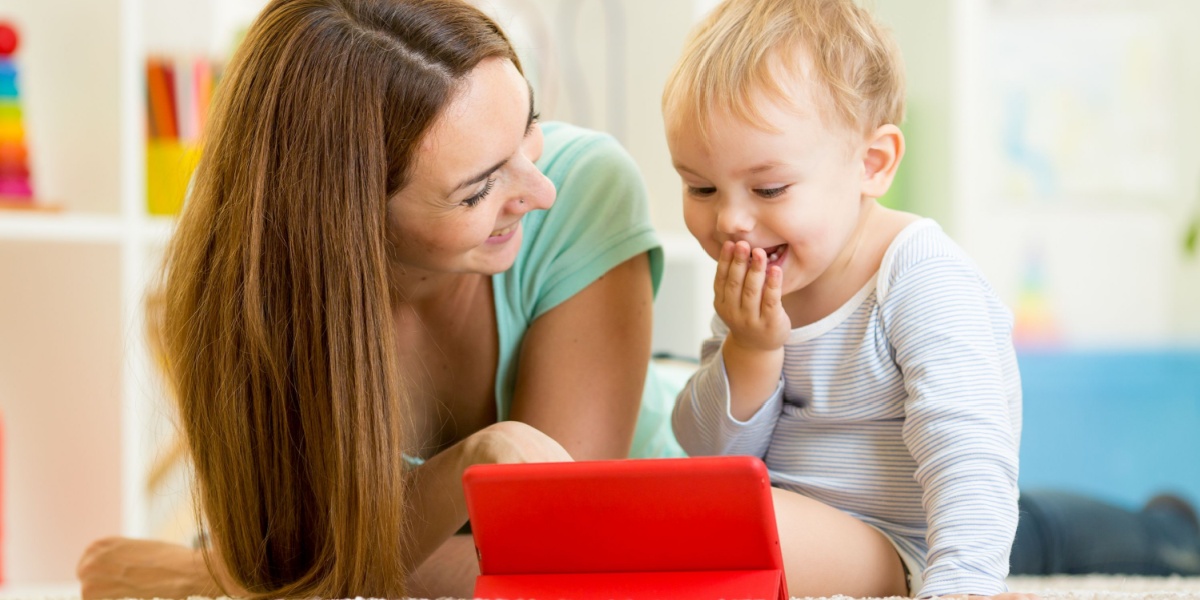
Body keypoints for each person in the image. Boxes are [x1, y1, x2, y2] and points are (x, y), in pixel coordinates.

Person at [75, 0, 681, 598]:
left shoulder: (586, 190)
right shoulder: (256, 298)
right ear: (352, 219)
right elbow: (291, 551)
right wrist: (471, 461)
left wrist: (221, 575)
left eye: (528, 125)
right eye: (477, 191)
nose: (541, 190)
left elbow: (557, 560)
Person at [660, 0, 1017, 596]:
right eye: (701, 188)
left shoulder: (920, 274)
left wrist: (965, 586)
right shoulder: (763, 275)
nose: (729, 221)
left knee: (720, 528)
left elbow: (969, 450)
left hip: (898, 547)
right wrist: (750, 350)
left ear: (871, 165)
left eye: (769, 188)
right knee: (679, 513)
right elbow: (707, 452)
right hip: (786, 525)